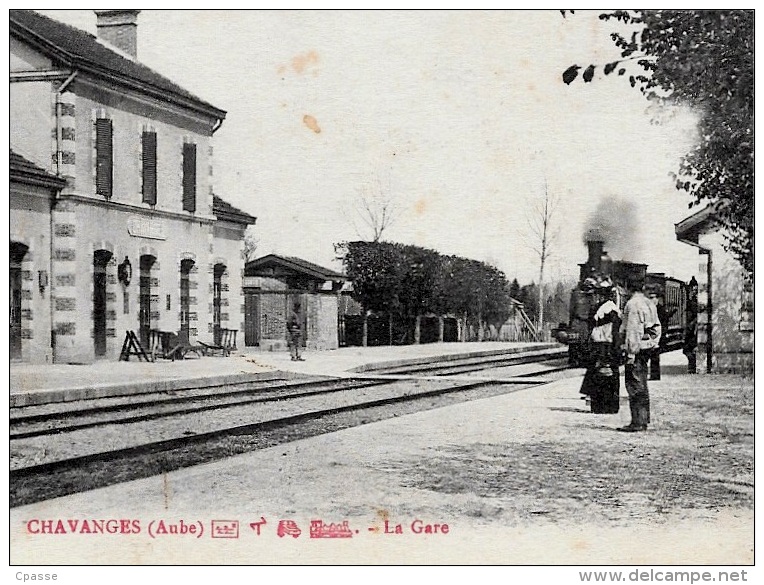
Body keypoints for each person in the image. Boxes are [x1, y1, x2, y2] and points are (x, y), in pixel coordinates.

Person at [618, 280, 661, 432]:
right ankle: (643, 419)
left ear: (628, 288)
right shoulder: (648, 303)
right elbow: (656, 329)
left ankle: (637, 421)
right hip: (646, 349)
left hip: (636, 351)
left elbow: (633, 332)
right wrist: (651, 343)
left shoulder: (633, 304)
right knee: (642, 382)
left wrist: (630, 352)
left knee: (634, 384)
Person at [588, 279, 622, 414]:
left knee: (598, 375)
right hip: (610, 346)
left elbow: (593, 329)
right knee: (611, 376)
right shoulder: (613, 310)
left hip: (600, 346)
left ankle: (598, 406)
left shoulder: (598, 310)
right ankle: (611, 406)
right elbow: (616, 333)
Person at [648, 285, 676, 381]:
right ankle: (654, 374)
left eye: (654, 297)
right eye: (650, 297)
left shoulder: (660, 309)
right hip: (653, 335)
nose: (652, 300)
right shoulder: (651, 309)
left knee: (655, 355)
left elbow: (665, 320)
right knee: (653, 355)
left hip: (659, 335)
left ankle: (655, 375)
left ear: (657, 299)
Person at [683, 277, 699, 374]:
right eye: (692, 289)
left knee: (691, 348)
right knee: (687, 349)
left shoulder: (697, 301)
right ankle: (691, 365)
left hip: (694, 327)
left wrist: (693, 323)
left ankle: (692, 367)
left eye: (695, 290)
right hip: (689, 327)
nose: (693, 292)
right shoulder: (690, 300)